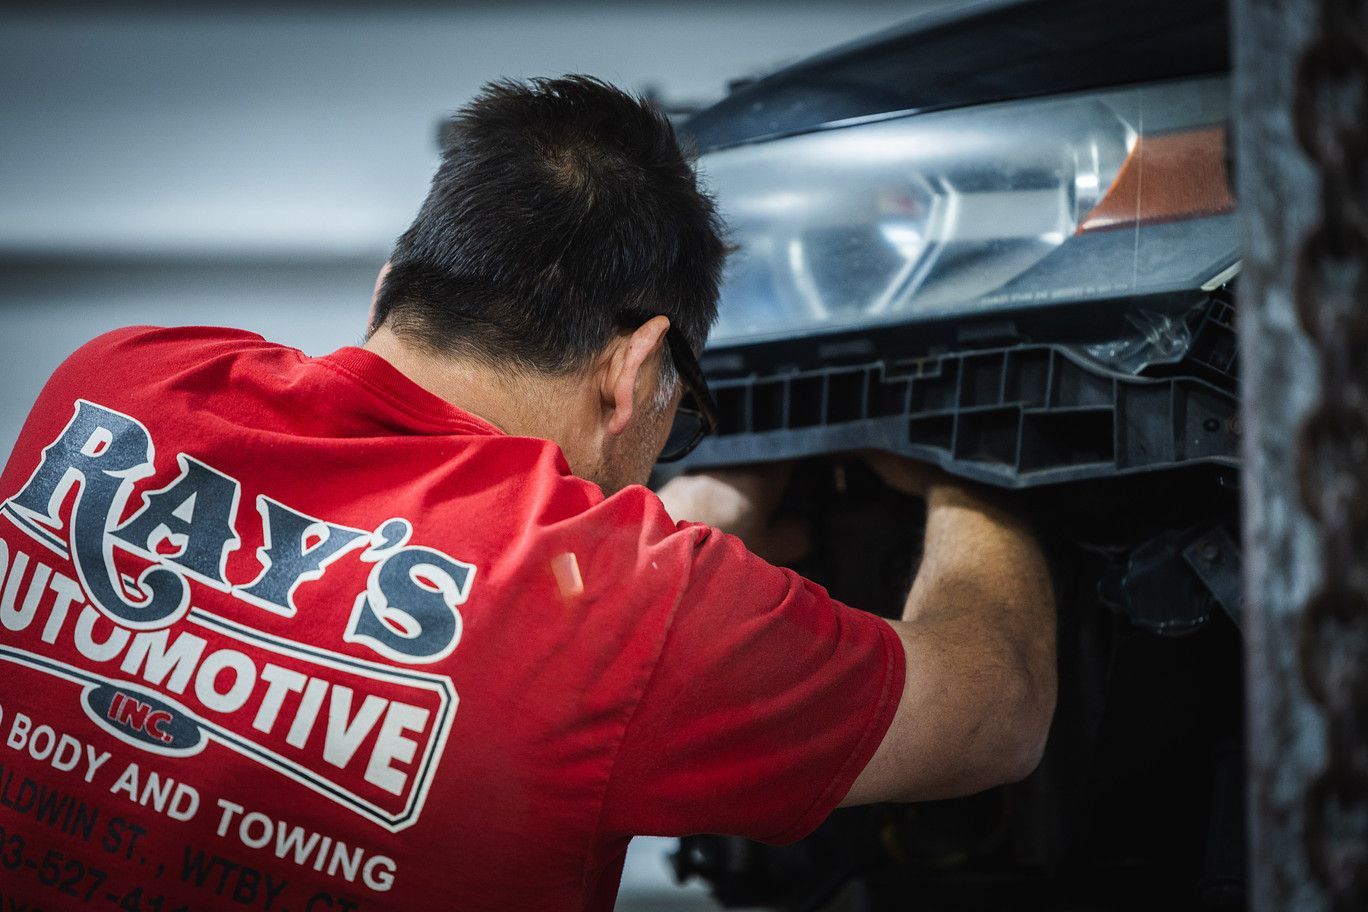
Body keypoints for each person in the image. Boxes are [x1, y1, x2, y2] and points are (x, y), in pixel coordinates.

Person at [0, 76, 1054, 911]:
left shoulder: (122, 384)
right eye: (674, 414)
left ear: (388, 288)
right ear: (636, 371)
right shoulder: (633, 613)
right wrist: (970, 479)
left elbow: (520, 614)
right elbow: (995, 712)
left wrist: (714, 510)